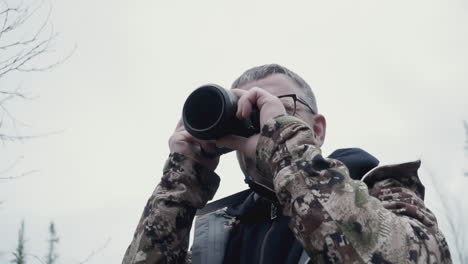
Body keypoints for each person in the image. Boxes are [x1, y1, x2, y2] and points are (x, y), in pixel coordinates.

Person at [122, 64, 452, 264]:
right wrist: (181, 181)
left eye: (280, 108)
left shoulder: (382, 190)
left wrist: (284, 148)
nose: (263, 124)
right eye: (246, 114)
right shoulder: (219, 234)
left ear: (318, 129)